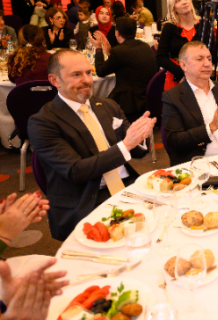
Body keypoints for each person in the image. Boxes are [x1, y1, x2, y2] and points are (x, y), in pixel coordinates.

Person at [28, 50, 155, 240]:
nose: (87, 80)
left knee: (168, 220)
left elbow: (137, 152)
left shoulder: (108, 105)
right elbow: (75, 171)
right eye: (76, 75)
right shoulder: (43, 122)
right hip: (86, 198)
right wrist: (125, 145)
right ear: (55, 80)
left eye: (88, 72)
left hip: (127, 186)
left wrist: (139, 137)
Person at [162, 41, 218, 166]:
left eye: (209, 59)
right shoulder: (173, 97)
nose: (207, 64)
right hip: (201, 165)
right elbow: (175, 141)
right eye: (199, 59)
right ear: (183, 65)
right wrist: (210, 128)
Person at [91, 17, 157, 121]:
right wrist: (109, 52)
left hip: (130, 103)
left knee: (96, 105)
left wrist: (98, 48)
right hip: (148, 99)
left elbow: (100, 71)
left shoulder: (119, 51)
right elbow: (127, 61)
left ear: (117, 33)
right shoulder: (145, 46)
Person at [156, 0, 203, 89]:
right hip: (177, 78)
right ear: (173, 8)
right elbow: (161, 58)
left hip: (200, 77)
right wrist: (184, 73)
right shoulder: (169, 27)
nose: (184, 2)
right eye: (177, 1)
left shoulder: (203, 25)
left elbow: (212, 53)